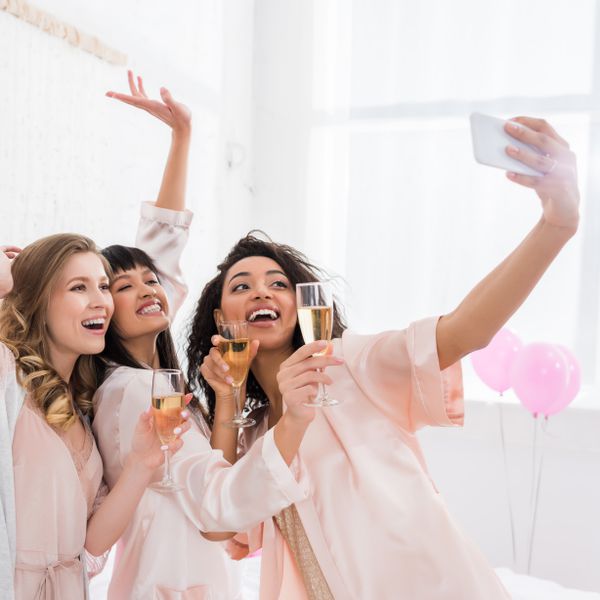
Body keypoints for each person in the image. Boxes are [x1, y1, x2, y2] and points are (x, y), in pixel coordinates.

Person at [186, 117, 579, 599]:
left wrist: (556, 226)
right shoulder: (250, 433)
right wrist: (227, 401)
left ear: (302, 305)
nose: (261, 291)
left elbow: (463, 331)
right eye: (241, 285)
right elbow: (219, 524)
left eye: (278, 283)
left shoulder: (351, 364)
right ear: (219, 318)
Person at [91, 73, 314, 599]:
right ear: (102, 312)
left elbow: (159, 253)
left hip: (189, 565)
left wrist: (182, 138)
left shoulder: (157, 379)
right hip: (168, 577)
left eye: (152, 281)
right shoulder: (130, 390)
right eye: (123, 287)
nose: (150, 288)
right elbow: (215, 498)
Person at [0, 232, 187, 600]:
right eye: (78, 288)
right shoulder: (7, 375)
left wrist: (141, 464)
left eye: (103, 287)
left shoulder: (82, 410)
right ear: (39, 301)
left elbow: (92, 542)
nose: (100, 301)